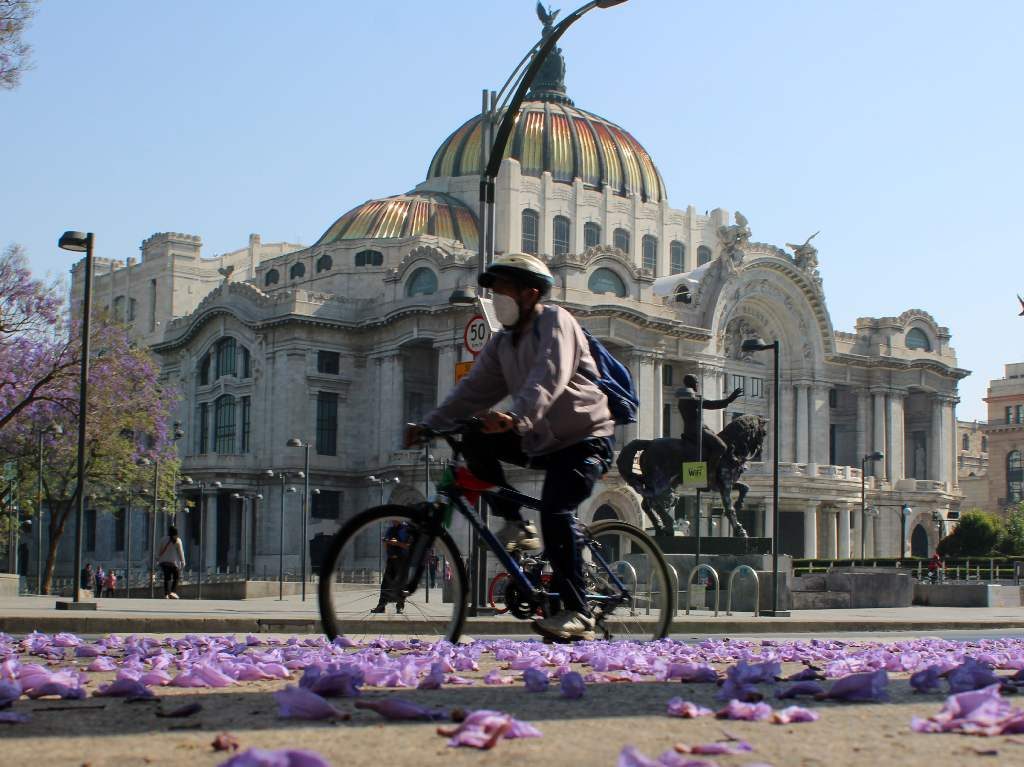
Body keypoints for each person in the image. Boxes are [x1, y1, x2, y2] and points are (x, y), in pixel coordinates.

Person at [406, 253, 615, 641]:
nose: (495, 296)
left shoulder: (556, 322)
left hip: (585, 439)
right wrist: (429, 425)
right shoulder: (504, 342)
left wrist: (516, 417)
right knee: (473, 435)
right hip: (540, 438)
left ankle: (578, 612)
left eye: (502, 288)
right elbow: (472, 391)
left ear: (529, 293)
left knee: (556, 509)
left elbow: (547, 376)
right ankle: (517, 524)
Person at [675, 374, 742, 483]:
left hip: (690, 430)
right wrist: (730, 399)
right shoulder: (693, 398)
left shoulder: (683, 398)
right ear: (693, 384)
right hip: (698, 430)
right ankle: (709, 474)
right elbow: (713, 404)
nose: (698, 385)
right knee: (721, 447)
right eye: (697, 382)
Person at [370, 520, 412, 614]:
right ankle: (381, 606)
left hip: (402, 561)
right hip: (391, 560)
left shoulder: (406, 530)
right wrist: (386, 542)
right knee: (385, 584)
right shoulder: (390, 529)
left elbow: (408, 546)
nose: (393, 520)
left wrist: (396, 543)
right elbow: (386, 544)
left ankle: (400, 606)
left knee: (402, 584)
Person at [156, 526, 186, 599]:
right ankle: (173, 592)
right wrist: (183, 561)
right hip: (174, 563)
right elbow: (180, 552)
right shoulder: (178, 540)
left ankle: (166, 594)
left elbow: (159, 551)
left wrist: (157, 558)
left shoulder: (163, 539)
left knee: (167, 578)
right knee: (176, 577)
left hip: (164, 562)